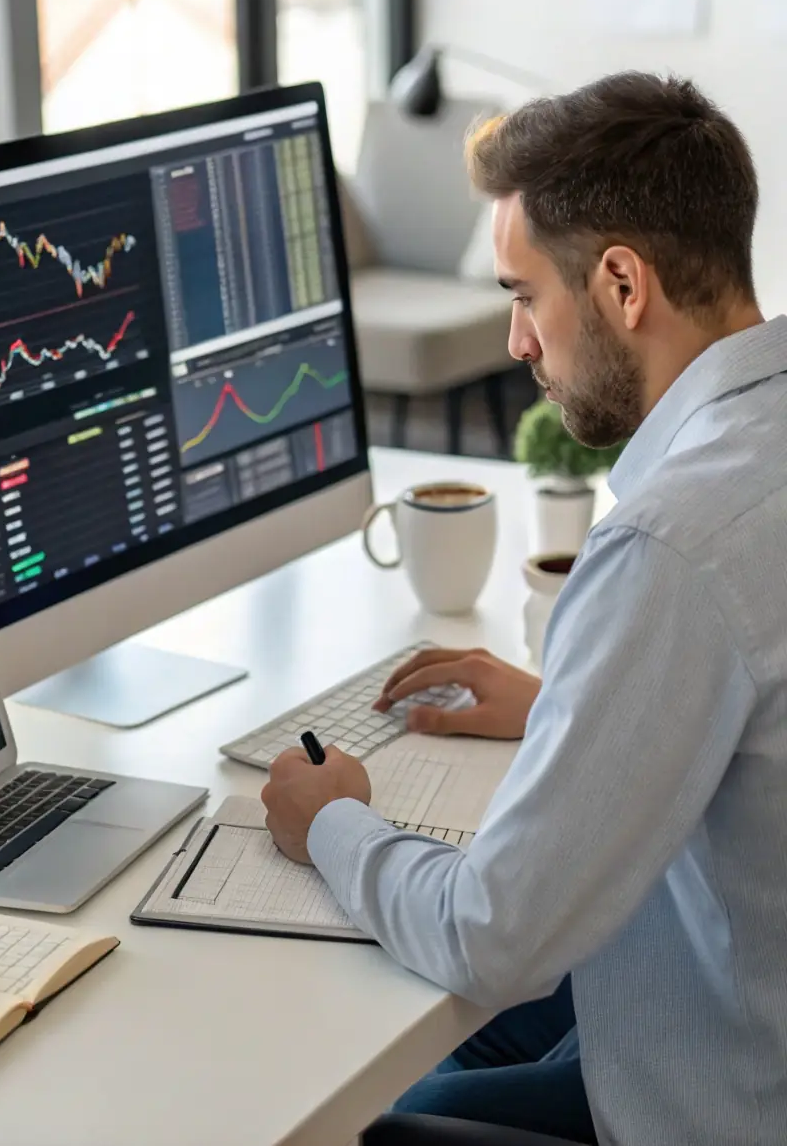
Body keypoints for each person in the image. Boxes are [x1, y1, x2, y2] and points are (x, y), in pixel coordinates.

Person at [260, 71, 787, 1146]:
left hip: (726, 1096)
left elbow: (488, 936)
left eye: (521, 295)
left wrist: (333, 824)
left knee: (374, 1119)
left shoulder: (668, 546)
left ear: (622, 287)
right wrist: (576, 705)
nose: (515, 344)